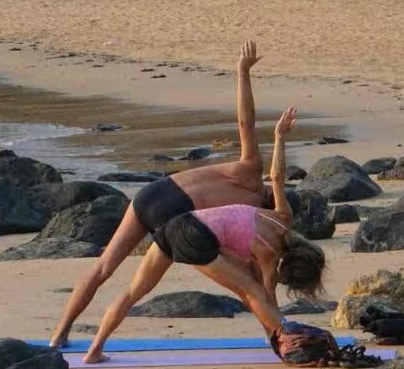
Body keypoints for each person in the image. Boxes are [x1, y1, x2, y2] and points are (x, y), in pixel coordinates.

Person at [49, 40, 275, 348]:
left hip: (154, 192)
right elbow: (248, 272)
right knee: (246, 287)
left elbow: (245, 121)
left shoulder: (250, 168)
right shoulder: (250, 219)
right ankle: (272, 336)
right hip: (178, 216)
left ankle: (59, 334)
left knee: (103, 266)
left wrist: (242, 72)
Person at [81, 107, 326, 363]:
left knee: (132, 293)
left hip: (178, 222)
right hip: (197, 236)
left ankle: (94, 350)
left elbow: (276, 176)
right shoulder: (269, 256)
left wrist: (279, 136)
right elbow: (265, 296)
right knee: (253, 291)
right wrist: (280, 333)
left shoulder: (282, 217)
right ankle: (285, 339)